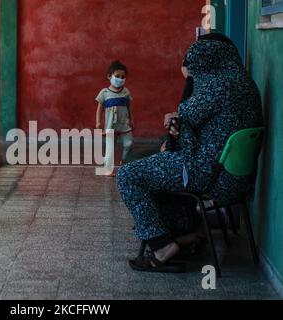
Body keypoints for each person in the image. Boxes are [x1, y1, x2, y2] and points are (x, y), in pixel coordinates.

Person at [117, 34, 264, 273]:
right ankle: (185, 235)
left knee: (129, 176)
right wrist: (180, 125)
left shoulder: (217, 86)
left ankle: (162, 246)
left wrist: (175, 124)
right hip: (234, 179)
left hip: (208, 174)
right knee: (158, 169)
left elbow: (183, 119)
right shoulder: (243, 81)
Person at [96, 60, 135, 177]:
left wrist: (132, 120)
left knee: (129, 143)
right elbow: (99, 109)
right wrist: (98, 122)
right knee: (110, 149)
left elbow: (129, 107)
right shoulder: (104, 93)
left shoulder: (126, 92)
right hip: (110, 125)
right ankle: (108, 170)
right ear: (109, 76)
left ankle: (123, 160)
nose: (120, 79)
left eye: (123, 77)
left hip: (124, 124)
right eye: (117, 76)